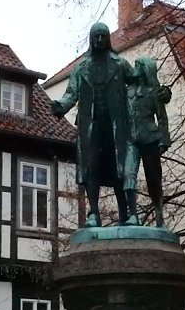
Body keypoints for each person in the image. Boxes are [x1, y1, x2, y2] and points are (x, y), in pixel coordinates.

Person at [50, 22, 133, 227]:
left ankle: (125, 214)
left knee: (118, 168)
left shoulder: (120, 64)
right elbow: (71, 93)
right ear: (91, 38)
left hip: (115, 124)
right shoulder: (81, 68)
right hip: (91, 125)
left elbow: (137, 80)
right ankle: (94, 213)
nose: (100, 40)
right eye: (96, 36)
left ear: (108, 38)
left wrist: (158, 91)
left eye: (103, 36)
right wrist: (61, 106)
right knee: (91, 166)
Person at [124, 56, 170, 227]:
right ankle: (132, 214)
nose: (134, 69)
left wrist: (164, 140)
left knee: (154, 179)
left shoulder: (153, 92)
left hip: (150, 139)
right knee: (128, 175)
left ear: (145, 70)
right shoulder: (127, 92)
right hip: (131, 139)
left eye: (137, 66)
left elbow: (162, 118)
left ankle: (159, 213)